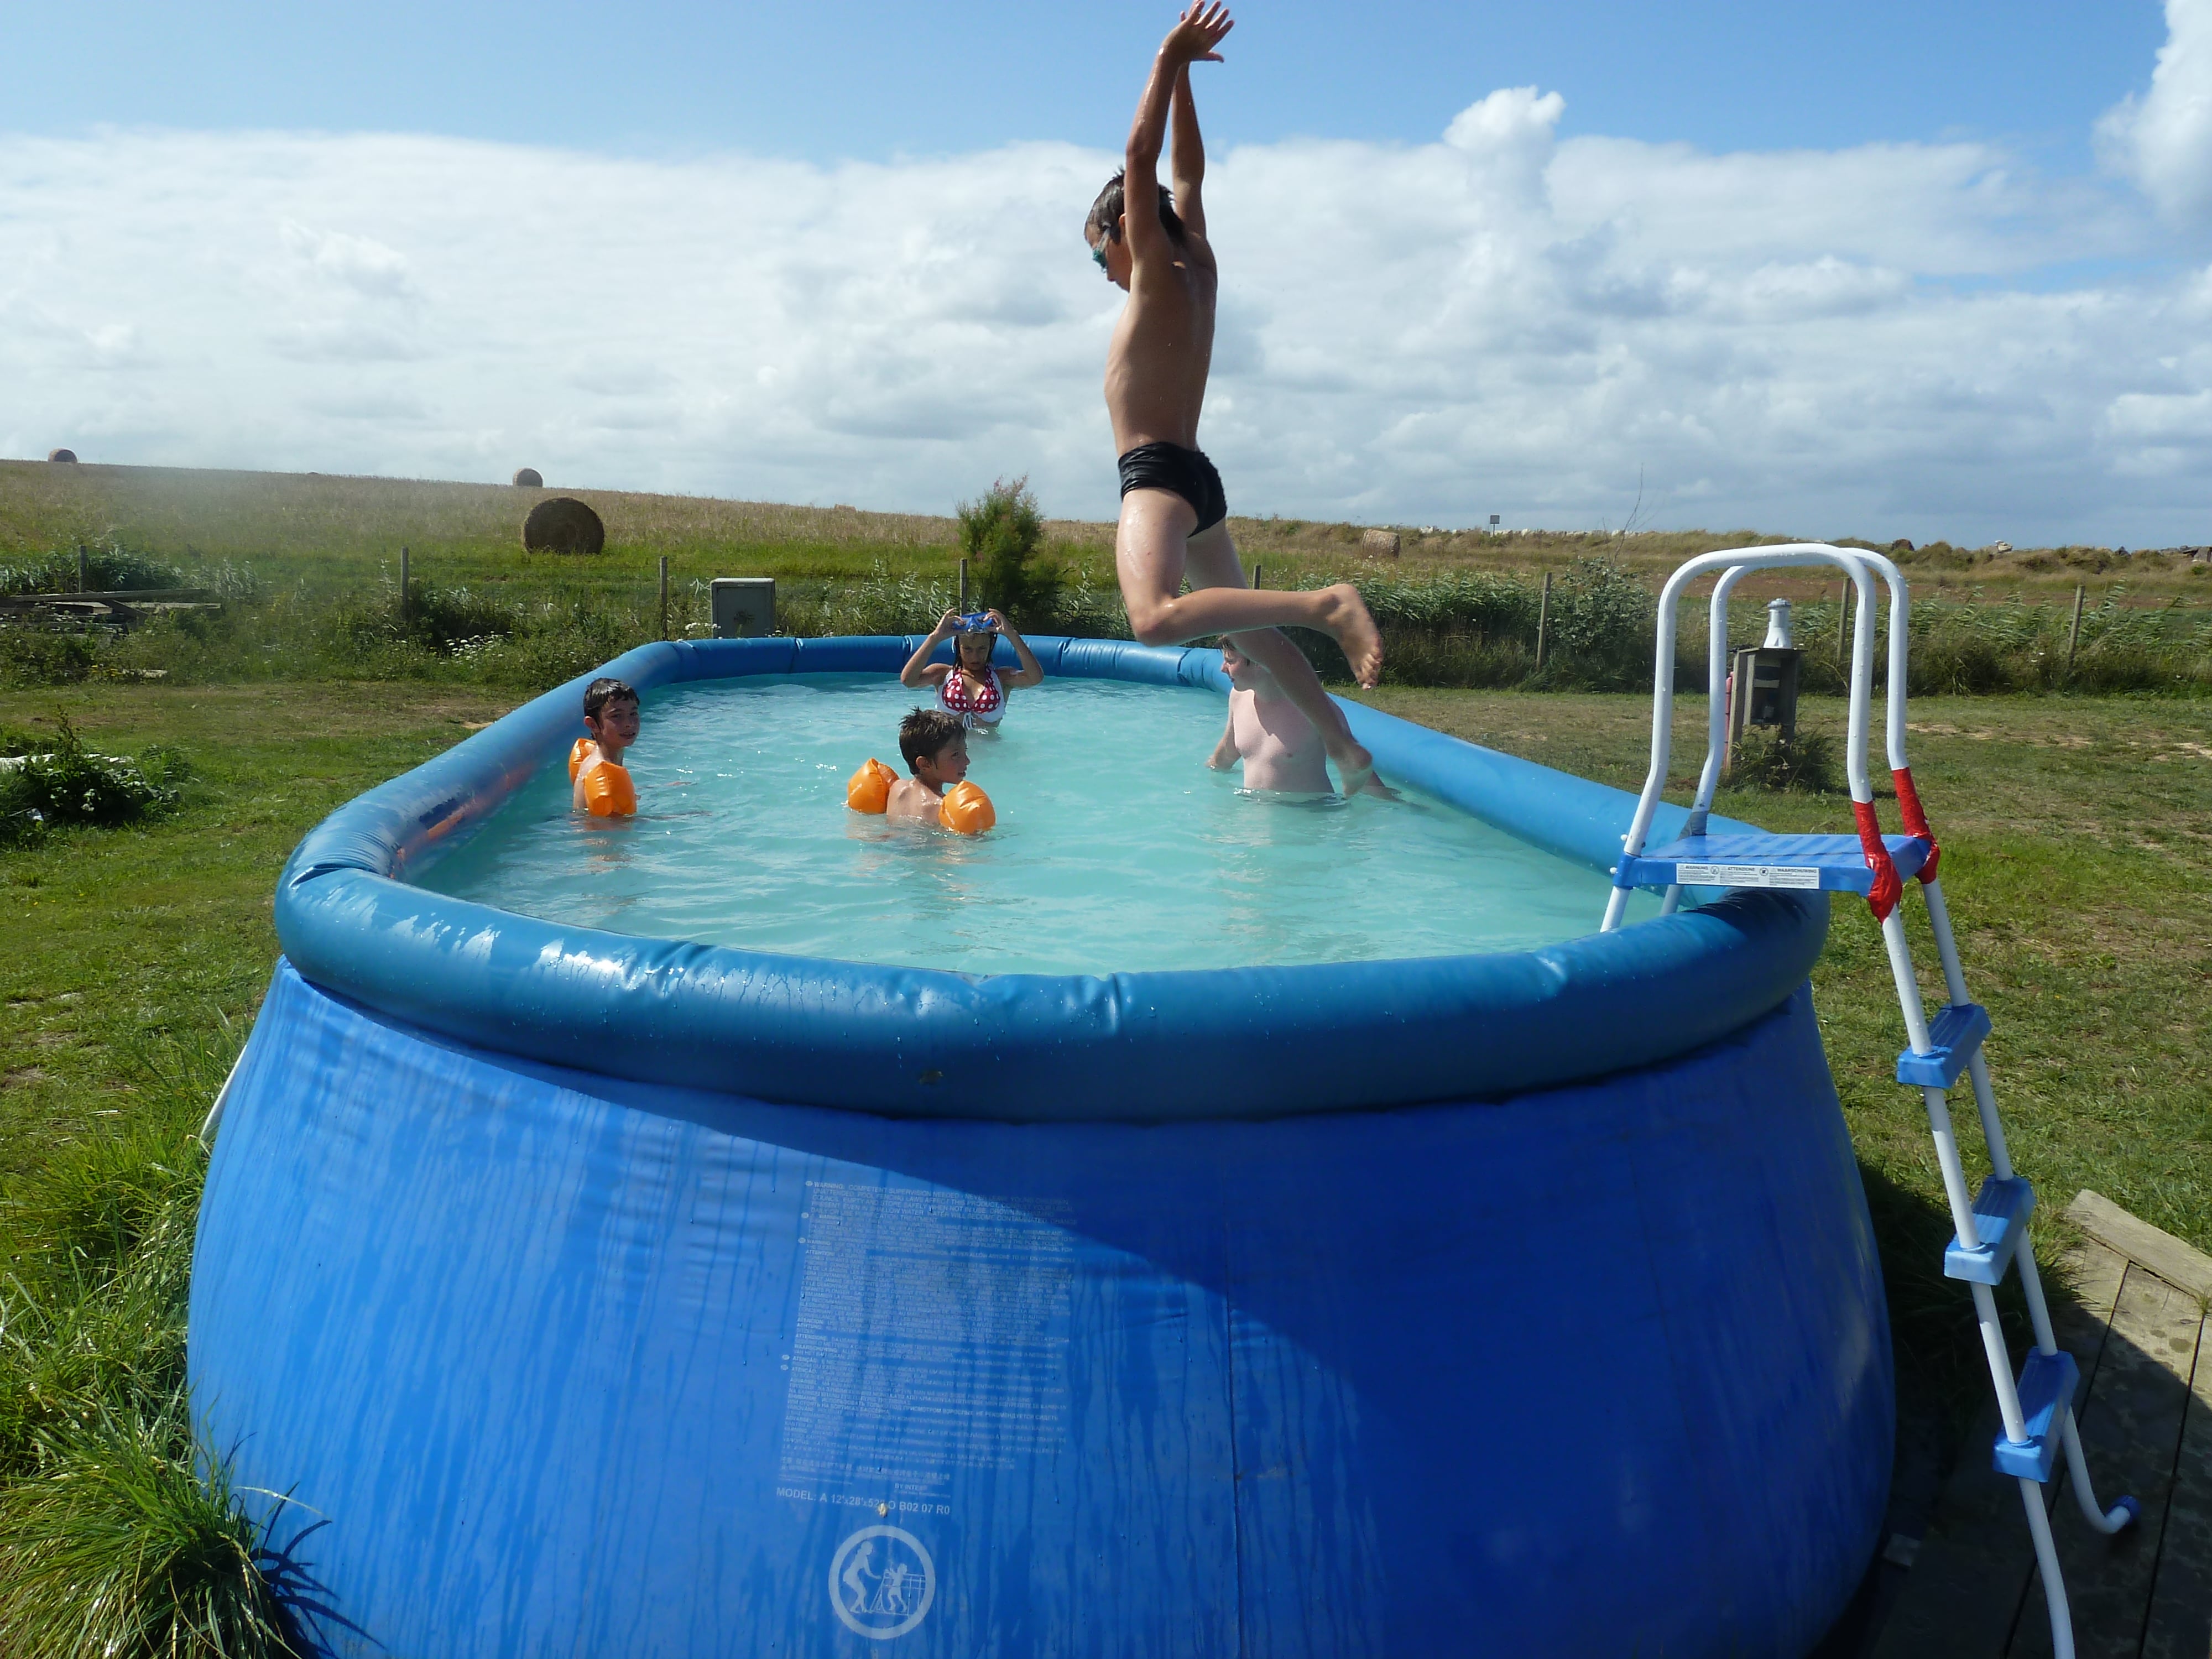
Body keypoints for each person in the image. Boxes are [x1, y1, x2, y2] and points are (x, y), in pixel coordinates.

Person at [1087, 3, 1389, 795]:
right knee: (1252, 633)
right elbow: (1186, 171)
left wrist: (1163, 57)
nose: (1107, 272)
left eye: (1100, 255)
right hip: (1198, 475)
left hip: (1157, 477)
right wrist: (1187, 74)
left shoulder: (1154, 264)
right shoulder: (1199, 258)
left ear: (1124, 229)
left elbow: (1144, 156)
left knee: (1151, 619)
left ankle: (1325, 604)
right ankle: (1350, 752)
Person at [1207, 637, 1332, 794]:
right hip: (1253, 811)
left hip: (1308, 813)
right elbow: (1228, 751)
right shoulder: (1238, 698)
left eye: (1230, 661)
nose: (1222, 669)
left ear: (1258, 660)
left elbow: (1356, 766)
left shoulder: (1315, 708)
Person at [899, 608, 1045, 731]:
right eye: (967, 649)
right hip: (949, 758)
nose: (975, 656)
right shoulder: (942, 675)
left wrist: (1012, 634)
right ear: (958, 647)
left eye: (982, 649)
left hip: (991, 755)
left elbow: (1035, 678)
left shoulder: (1002, 678)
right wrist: (934, 638)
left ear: (991, 647)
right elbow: (908, 681)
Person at [885, 708, 972, 824]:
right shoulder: (943, 808)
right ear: (924, 764)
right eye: (955, 755)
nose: (967, 761)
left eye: (965, 752)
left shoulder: (897, 788)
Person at [572, 677, 639, 816]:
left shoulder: (599, 759)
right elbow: (616, 830)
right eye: (617, 716)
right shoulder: (604, 774)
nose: (629, 723)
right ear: (593, 725)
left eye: (633, 714)